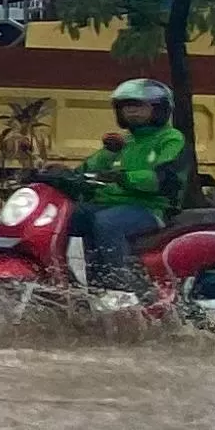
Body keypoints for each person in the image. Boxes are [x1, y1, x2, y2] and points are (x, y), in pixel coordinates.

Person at [68, 77, 190, 287]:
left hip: (150, 208)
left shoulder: (171, 139)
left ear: (160, 108)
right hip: (110, 206)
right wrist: (59, 174)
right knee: (66, 216)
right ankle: (60, 282)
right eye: (125, 106)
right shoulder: (124, 142)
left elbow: (164, 178)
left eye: (138, 105)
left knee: (107, 222)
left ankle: (122, 287)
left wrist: (123, 177)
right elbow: (90, 168)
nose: (131, 111)